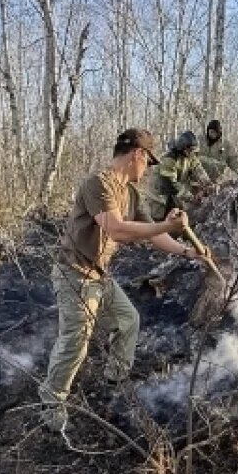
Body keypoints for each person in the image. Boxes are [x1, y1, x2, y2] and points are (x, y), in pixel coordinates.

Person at [40, 128, 206, 430]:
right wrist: (164, 227)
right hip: (74, 273)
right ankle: (52, 401)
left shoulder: (131, 193)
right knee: (76, 339)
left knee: (129, 320)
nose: (147, 170)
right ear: (137, 154)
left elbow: (155, 234)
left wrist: (187, 251)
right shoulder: (98, 184)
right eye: (147, 162)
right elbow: (117, 229)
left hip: (99, 274)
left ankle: (114, 381)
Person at [141, 131, 214, 220]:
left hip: (175, 197)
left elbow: (199, 170)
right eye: (190, 150)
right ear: (183, 148)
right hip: (160, 196)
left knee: (177, 219)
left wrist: (208, 184)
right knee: (157, 221)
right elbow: (171, 185)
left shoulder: (190, 157)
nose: (191, 153)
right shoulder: (169, 159)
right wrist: (191, 198)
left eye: (193, 151)